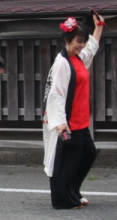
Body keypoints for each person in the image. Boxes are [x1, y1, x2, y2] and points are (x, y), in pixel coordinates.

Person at [43, 13, 105, 209]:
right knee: (67, 162)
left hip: (80, 120)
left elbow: (91, 50)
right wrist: (61, 122)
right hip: (69, 122)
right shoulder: (62, 63)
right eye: (79, 41)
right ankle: (64, 200)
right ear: (67, 39)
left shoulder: (76, 58)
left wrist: (99, 27)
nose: (82, 45)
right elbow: (57, 94)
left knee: (88, 155)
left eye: (83, 41)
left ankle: (73, 191)